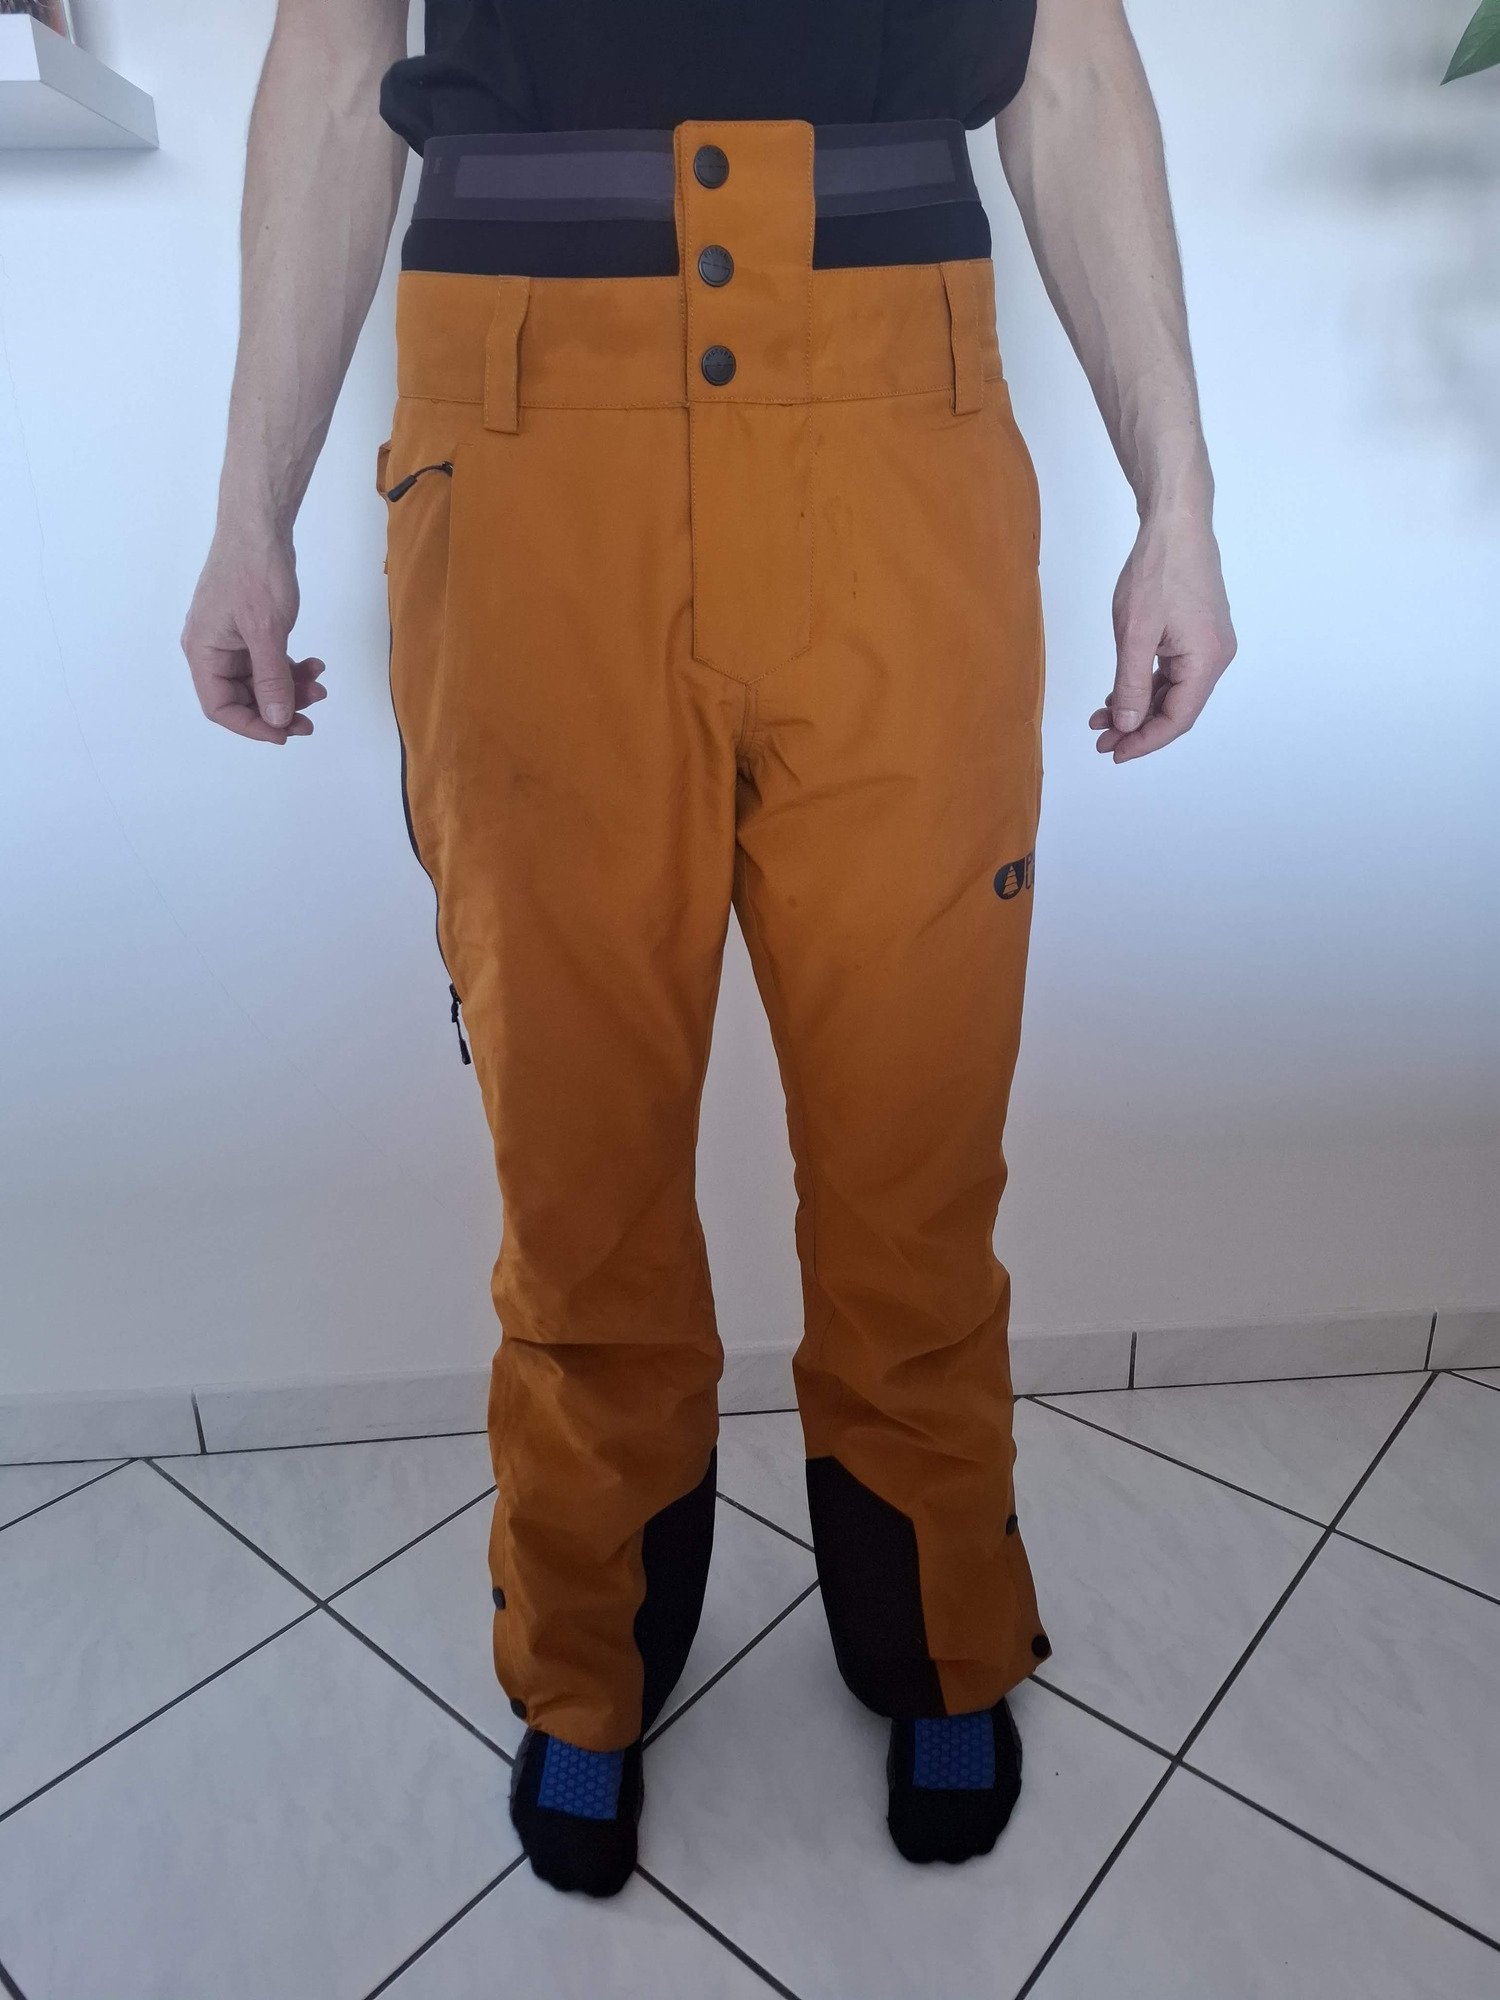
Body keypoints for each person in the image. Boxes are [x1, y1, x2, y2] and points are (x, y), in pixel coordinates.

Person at [182, 0, 1236, 1899]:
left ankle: (939, 1636)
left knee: (916, 1135)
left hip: (894, 415)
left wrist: (1182, 500)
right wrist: (246, 508)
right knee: (575, 1159)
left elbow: (1071, 69)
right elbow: (333, 67)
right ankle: (586, 1657)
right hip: (527, 434)